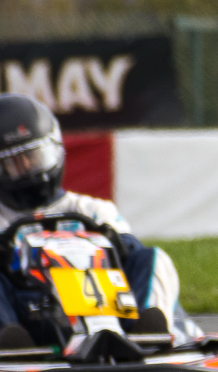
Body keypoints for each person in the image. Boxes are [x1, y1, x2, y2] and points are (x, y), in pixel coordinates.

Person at [0, 93, 190, 348]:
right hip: (30, 314)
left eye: (34, 157)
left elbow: (130, 251)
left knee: (153, 257)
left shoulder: (91, 210)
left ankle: (147, 333)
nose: (28, 168)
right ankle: (9, 343)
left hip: (106, 302)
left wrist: (114, 241)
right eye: (13, 163)